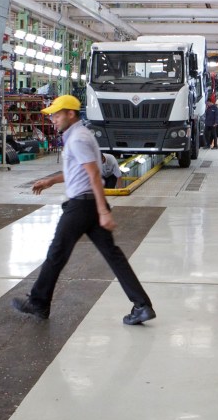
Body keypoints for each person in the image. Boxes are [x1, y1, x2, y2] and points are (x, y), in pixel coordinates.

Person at [12, 94, 155, 326]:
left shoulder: (77, 138)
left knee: (56, 253)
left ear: (71, 114)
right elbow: (78, 171)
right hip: (88, 205)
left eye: (57, 115)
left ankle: (38, 302)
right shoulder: (80, 136)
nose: (54, 120)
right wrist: (51, 181)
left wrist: (103, 210)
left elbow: (94, 174)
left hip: (82, 206)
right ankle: (142, 306)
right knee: (113, 256)